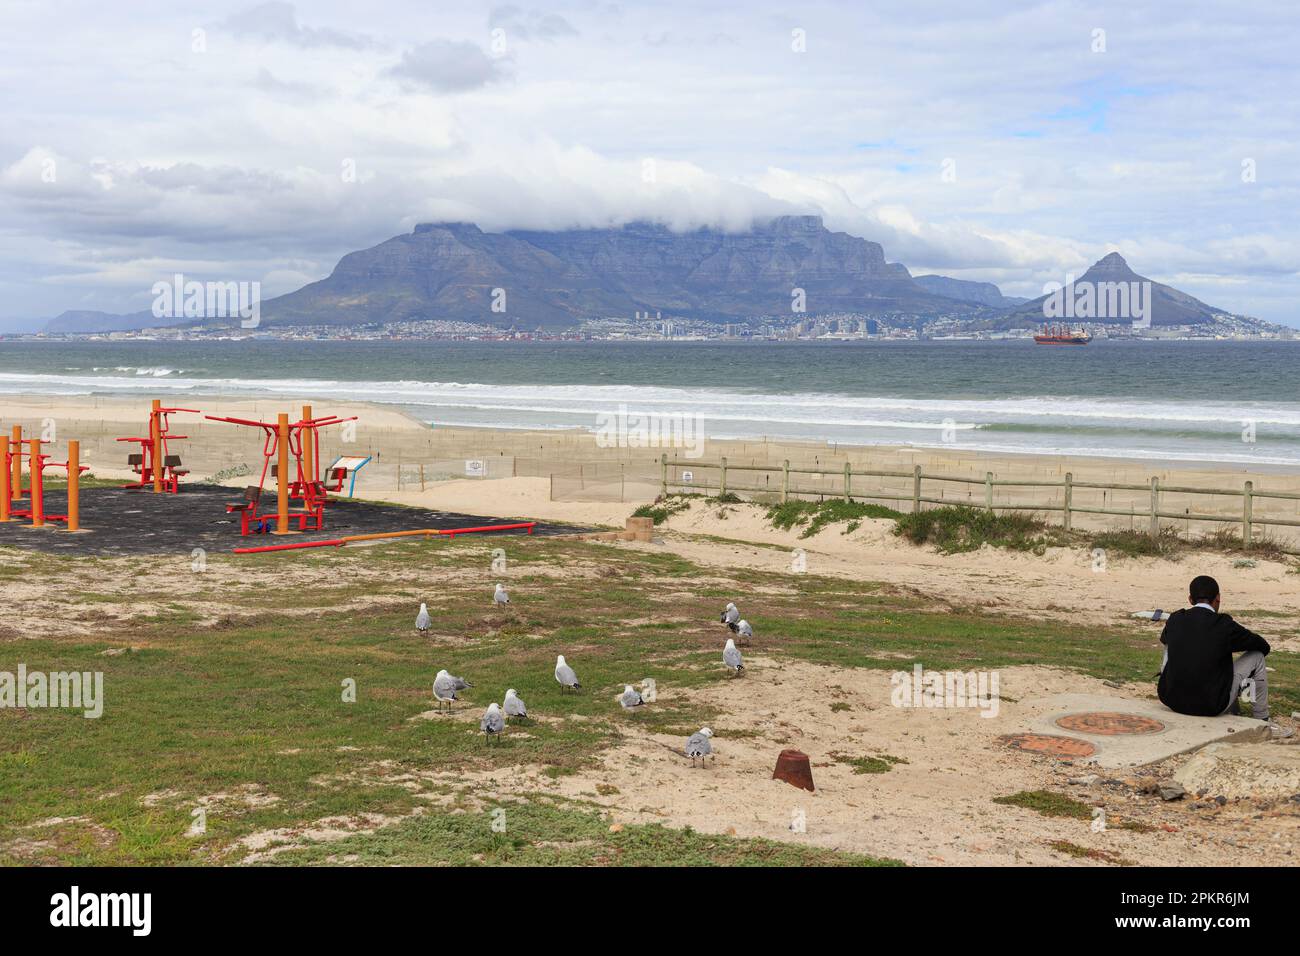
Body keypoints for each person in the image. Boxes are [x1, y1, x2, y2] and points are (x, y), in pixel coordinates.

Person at [1157, 575, 1290, 738]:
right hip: (1211, 705)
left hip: (1171, 699)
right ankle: (1262, 719)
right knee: (1256, 657)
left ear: (1190, 599)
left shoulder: (1175, 618)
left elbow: (1167, 642)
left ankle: (1233, 708)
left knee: (1170, 644)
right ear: (1218, 598)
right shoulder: (1224, 624)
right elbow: (1262, 646)